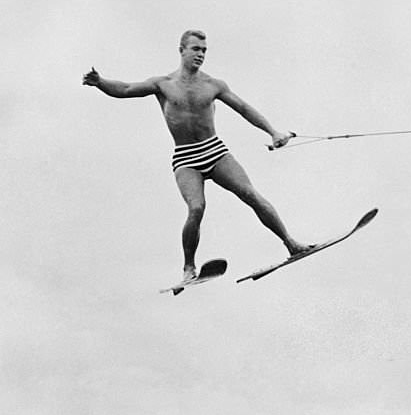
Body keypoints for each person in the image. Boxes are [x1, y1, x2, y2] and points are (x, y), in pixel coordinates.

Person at [82, 29, 312, 284]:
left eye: (204, 50)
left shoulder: (213, 85)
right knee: (196, 208)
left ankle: (291, 244)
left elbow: (244, 108)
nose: (200, 54)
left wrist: (273, 131)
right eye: (195, 49)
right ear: (181, 50)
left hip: (214, 150)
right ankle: (188, 269)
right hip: (186, 158)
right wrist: (100, 82)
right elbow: (125, 89)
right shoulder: (163, 84)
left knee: (250, 194)